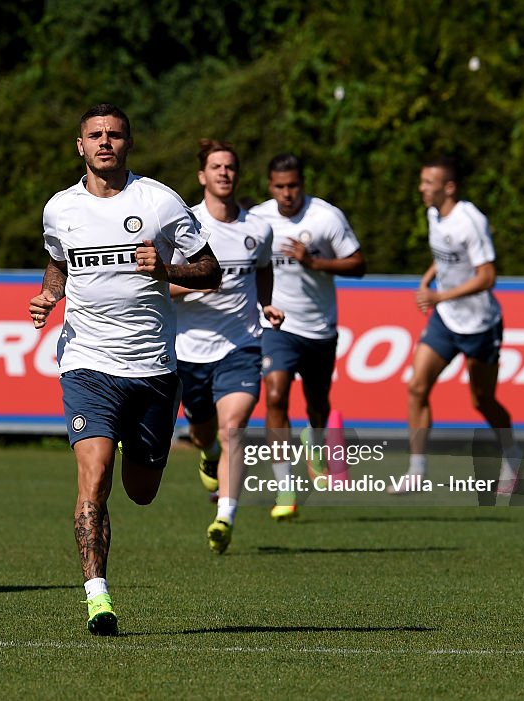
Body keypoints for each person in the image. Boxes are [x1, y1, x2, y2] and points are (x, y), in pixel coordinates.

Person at [29, 104, 221, 635]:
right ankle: (98, 598)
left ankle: (187, 455)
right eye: (96, 135)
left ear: (129, 143)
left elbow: (211, 271)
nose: (105, 143)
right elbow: (57, 260)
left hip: (154, 369)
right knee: (93, 481)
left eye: (115, 135)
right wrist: (50, 295)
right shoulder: (60, 209)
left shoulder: (159, 202)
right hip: (86, 364)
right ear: (80, 145)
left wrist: (168, 269)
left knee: (140, 489)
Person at [170, 139, 282, 554]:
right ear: (202, 176)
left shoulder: (258, 229)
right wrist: (196, 283)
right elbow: (162, 284)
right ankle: (208, 453)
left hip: (241, 344)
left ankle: (226, 515)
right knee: (204, 432)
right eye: (216, 167)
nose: (223, 173)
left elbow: (264, 268)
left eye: (230, 167)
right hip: (189, 349)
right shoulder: (184, 228)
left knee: (235, 428)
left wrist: (265, 302)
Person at [389, 156, 521, 495]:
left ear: (448, 187)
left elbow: (487, 276)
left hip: (479, 325)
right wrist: (427, 280)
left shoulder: (471, 221)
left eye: (427, 183)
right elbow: (444, 255)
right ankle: (416, 471)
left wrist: (440, 296)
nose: (421, 188)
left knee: (482, 401)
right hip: (445, 322)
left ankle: (513, 454)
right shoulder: (434, 213)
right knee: (417, 386)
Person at [250, 153, 366, 521]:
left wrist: (314, 263)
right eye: (280, 187)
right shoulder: (259, 219)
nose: (287, 194)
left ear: (303, 184)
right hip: (277, 326)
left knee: (318, 405)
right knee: (275, 395)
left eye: (293, 186)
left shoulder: (325, 217)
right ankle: (285, 488)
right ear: (270, 186)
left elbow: (358, 264)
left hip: (319, 328)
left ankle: (315, 442)